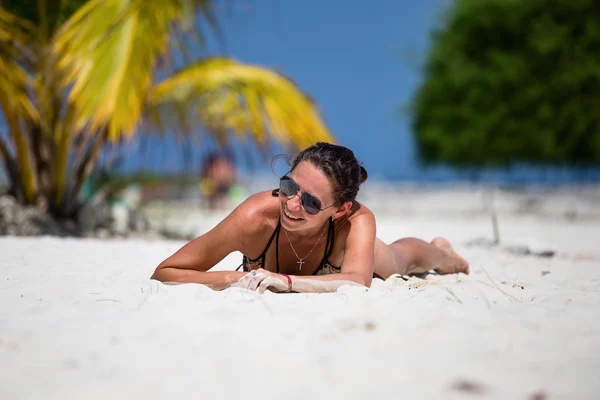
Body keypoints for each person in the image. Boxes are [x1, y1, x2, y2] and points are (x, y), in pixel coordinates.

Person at [151, 142, 469, 294]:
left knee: (405, 259)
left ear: (341, 209)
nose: (291, 204)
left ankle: (444, 251)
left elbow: (358, 280)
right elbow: (166, 271)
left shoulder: (357, 221)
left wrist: (285, 282)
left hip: (368, 259)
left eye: (312, 202)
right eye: (289, 186)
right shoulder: (254, 217)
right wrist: (228, 278)